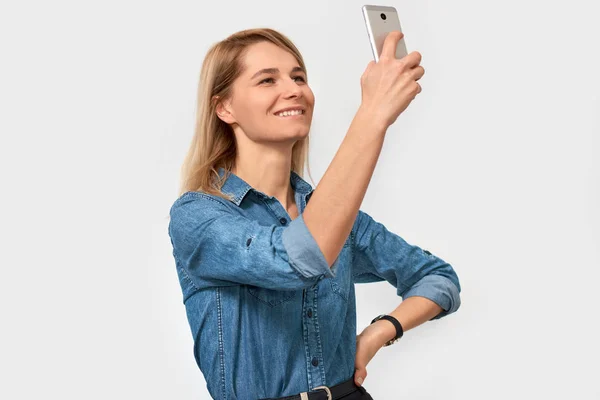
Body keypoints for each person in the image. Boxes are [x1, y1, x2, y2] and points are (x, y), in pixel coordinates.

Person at [168, 27, 461, 400]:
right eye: (267, 80)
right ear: (224, 107)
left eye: (298, 77)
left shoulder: (339, 220)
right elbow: (299, 259)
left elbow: (439, 278)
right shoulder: (199, 216)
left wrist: (378, 332)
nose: (293, 89)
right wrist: (371, 116)